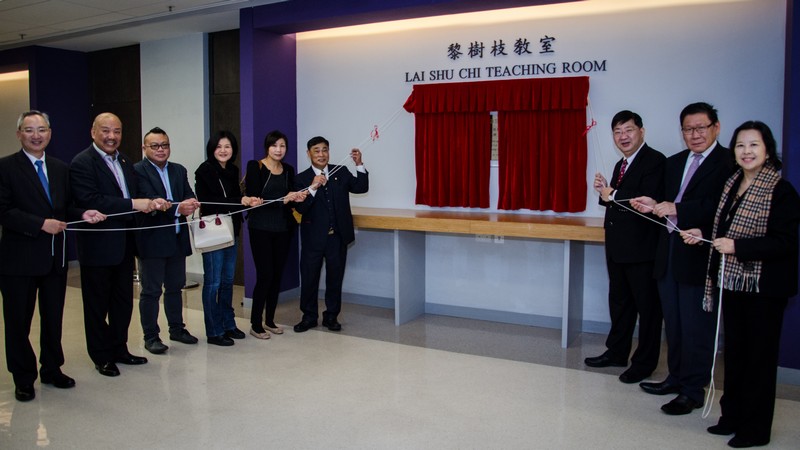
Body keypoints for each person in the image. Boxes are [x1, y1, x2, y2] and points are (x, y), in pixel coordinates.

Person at [681, 121, 800, 448]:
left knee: (759, 361)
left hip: (764, 289)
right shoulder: (732, 183)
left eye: (754, 145)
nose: (747, 152)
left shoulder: (780, 190)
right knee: (735, 356)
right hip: (732, 282)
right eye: (741, 146)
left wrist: (738, 247)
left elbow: (784, 243)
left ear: (767, 150)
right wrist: (704, 235)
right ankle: (731, 416)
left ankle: (756, 429)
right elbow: (724, 229)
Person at [631, 102, 734, 415]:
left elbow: (722, 206)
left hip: (700, 254)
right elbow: (666, 200)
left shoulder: (729, 161)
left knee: (696, 326)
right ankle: (675, 377)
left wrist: (680, 210)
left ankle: (693, 389)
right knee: (673, 324)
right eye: (688, 129)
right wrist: (652, 203)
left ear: (716, 127)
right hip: (670, 252)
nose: (695, 134)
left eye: (701, 127)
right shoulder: (675, 162)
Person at [0, 111, 105, 401]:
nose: (36, 135)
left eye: (42, 129)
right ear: (19, 133)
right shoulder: (6, 168)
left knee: (53, 318)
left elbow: (64, 207)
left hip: (54, 259)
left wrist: (83, 213)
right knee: (18, 322)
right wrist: (39, 224)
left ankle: (51, 368)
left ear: (50, 133)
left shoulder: (60, 168)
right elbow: (4, 211)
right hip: (18, 261)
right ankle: (23, 377)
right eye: (29, 130)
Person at [70, 112, 156, 377]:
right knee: (97, 305)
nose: (111, 136)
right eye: (105, 131)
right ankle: (101, 355)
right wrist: (134, 204)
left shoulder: (125, 160)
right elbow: (92, 199)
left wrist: (152, 203)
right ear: (93, 132)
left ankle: (120, 348)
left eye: (117, 131)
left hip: (125, 245)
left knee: (122, 302)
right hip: (98, 247)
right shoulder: (82, 163)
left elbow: (134, 195)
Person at [585, 110, 665, 384]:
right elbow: (618, 202)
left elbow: (647, 202)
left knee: (648, 308)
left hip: (642, 250)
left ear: (641, 131)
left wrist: (614, 194)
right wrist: (605, 191)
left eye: (628, 130)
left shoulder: (654, 161)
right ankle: (616, 352)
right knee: (620, 304)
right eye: (618, 132)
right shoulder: (622, 164)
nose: (623, 136)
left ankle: (644, 363)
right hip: (618, 247)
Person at [133, 127, 200, 354]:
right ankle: (151, 336)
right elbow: (149, 201)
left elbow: (188, 193)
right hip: (152, 241)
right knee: (151, 291)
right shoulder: (137, 171)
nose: (161, 150)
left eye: (165, 145)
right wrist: (178, 207)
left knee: (175, 287)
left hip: (177, 238)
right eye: (155, 146)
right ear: (145, 148)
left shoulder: (178, 170)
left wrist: (191, 202)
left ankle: (177, 329)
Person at [293, 136, 368, 333]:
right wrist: (312, 187)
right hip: (312, 238)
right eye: (316, 150)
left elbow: (361, 187)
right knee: (309, 278)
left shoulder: (340, 171)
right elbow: (300, 208)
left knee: (335, 278)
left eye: (324, 150)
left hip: (337, 237)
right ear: (308, 153)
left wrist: (359, 164)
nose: (321, 154)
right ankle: (309, 317)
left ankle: (331, 316)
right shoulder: (300, 178)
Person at [195, 131, 261, 346]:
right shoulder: (204, 171)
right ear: (211, 149)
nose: (223, 150)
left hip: (231, 231)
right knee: (212, 283)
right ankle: (213, 331)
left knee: (227, 282)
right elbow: (209, 202)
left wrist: (244, 200)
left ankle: (228, 324)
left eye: (228, 146)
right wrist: (239, 200)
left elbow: (232, 199)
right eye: (219, 146)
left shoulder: (232, 170)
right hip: (213, 232)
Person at [244, 130, 306, 339]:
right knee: (265, 275)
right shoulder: (255, 166)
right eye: (274, 146)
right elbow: (255, 194)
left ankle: (269, 320)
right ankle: (255, 323)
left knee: (276, 275)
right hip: (260, 228)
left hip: (283, 228)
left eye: (282, 146)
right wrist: (284, 197)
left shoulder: (288, 169)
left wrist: (295, 197)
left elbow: (289, 199)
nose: (279, 150)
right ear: (267, 147)